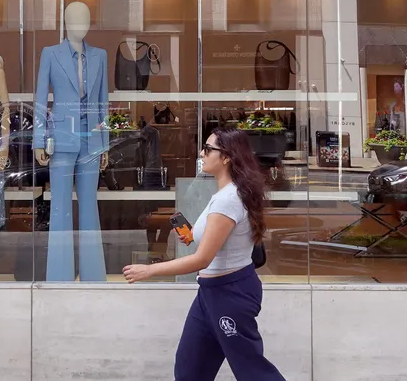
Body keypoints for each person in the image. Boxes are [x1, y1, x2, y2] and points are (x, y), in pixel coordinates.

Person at [122, 127, 285, 381]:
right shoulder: (223, 195)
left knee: (253, 371)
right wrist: (191, 236)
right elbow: (214, 243)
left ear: (227, 157)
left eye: (208, 149)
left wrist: (150, 270)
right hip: (210, 293)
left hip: (230, 294)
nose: (202, 153)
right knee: (190, 370)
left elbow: (202, 259)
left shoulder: (228, 200)